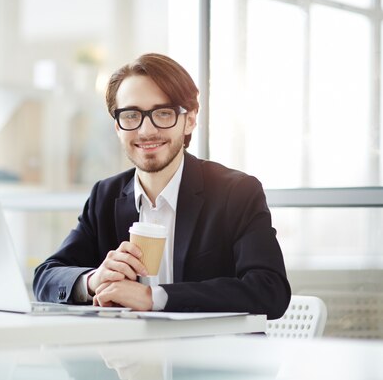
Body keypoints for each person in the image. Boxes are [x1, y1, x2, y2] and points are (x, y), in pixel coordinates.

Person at [33, 53, 291, 319]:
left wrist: (153, 298)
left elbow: (269, 291)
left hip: (215, 355)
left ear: (190, 119)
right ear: (117, 126)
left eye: (163, 113)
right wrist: (93, 280)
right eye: (131, 115)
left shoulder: (236, 193)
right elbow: (46, 277)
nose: (146, 131)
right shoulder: (105, 196)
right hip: (127, 357)